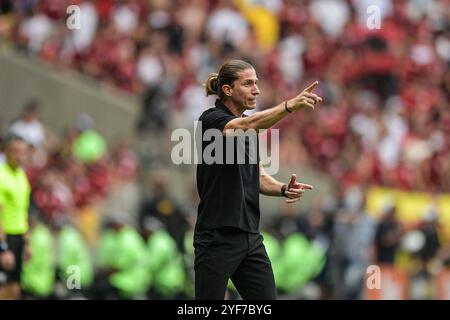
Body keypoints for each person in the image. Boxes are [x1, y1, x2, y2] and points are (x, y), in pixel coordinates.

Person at [194, 59, 322, 300]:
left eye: (257, 83)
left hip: (250, 237)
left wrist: (283, 188)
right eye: (248, 83)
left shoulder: (250, 134)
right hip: (217, 236)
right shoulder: (211, 119)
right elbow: (248, 122)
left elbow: (259, 177)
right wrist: (289, 105)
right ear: (227, 90)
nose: (257, 89)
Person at [0, 135, 32, 299]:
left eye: (23, 152)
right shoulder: (1, 175)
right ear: (5, 152)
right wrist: (3, 248)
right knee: (2, 289)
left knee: (15, 289)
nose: (19, 156)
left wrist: (26, 242)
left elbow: (23, 212)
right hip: (5, 236)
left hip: (18, 237)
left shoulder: (21, 175)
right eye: (15, 152)